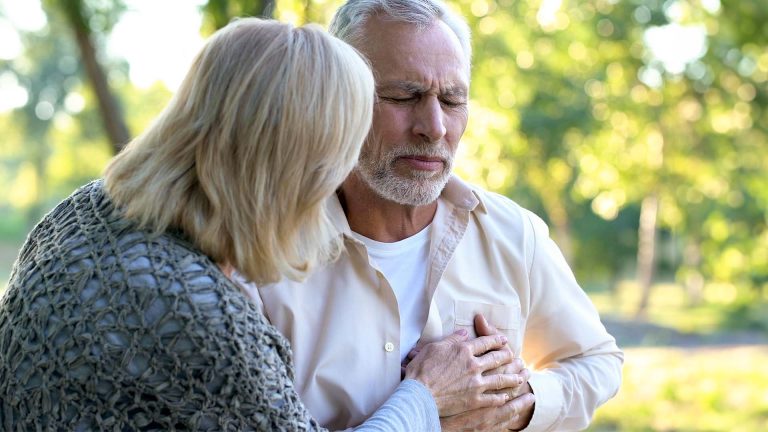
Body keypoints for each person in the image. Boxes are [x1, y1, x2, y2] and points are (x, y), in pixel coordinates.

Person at [0, 17, 524, 431]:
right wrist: (427, 396)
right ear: (288, 168)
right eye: (334, 165)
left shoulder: (80, 214)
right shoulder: (203, 323)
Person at [248, 1, 624, 431]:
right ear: (340, 100)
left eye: (452, 99)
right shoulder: (263, 252)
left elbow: (596, 360)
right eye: (404, 97)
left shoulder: (512, 233)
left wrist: (520, 406)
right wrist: (425, 404)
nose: (434, 126)